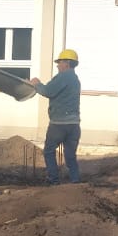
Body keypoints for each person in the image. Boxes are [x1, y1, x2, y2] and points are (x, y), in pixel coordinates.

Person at [30, 48, 81, 184]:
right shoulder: (75, 79)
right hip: (74, 125)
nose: (58, 65)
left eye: (60, 62)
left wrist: (36, 84)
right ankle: (75, 181)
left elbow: (48, 91)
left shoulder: (63, 76)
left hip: (59, 124)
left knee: (49, 151)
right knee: (70, 155)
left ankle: (54, 181)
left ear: (67, 63)